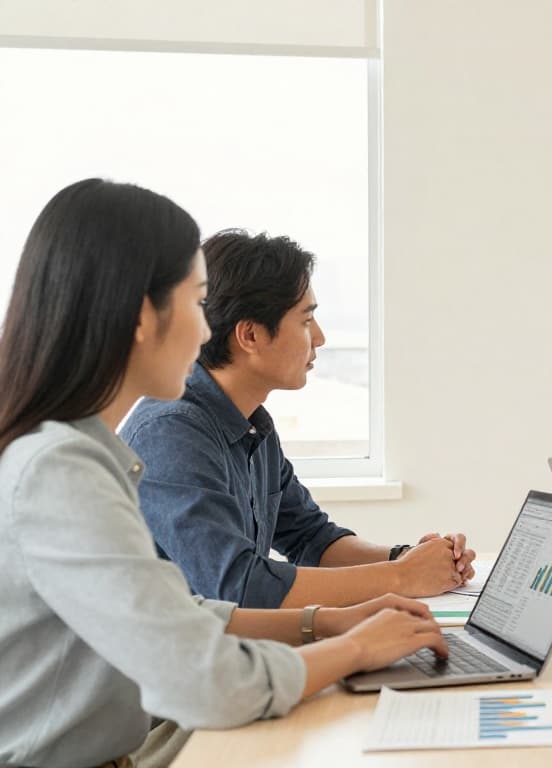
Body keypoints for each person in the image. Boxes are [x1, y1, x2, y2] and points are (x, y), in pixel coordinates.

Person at [0, 179, 447, 768]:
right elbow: (204, 677)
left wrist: (327, 622)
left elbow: (174, 615)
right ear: (141, 316)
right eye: (195, 301)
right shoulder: (64, 470)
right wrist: (357, 646)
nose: (207, 329)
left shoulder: (80, 452)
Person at [120, 229, 475, 609]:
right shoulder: (171, 432)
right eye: (307, 320)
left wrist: (407, 558)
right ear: (251, 335)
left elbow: (312, 539)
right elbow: (238, 587)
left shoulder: (252, 423)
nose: (320, 338)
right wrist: (402, 577)